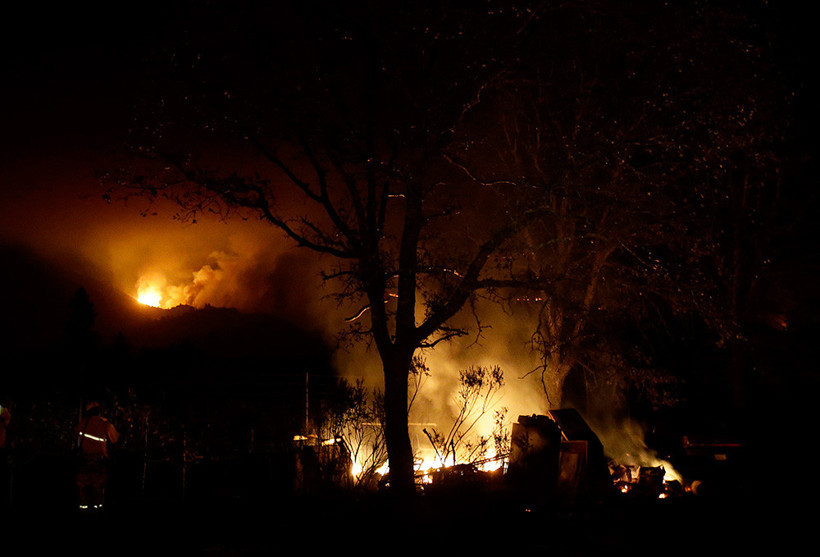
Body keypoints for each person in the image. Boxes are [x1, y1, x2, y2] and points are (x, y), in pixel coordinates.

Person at [75, 401, 119, 511]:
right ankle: (97, 511)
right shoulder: (105, 424)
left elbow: (77, 438)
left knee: (84, 490)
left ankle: (83, 510)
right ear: (99, 411)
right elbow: (115, 439)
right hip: (99, 463)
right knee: (98, 489)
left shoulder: (82, 424)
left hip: (85, 462)